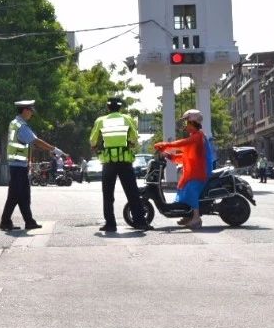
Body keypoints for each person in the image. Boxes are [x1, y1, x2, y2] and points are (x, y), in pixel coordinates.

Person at [0, 99, 67, 231]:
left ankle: (18, 221)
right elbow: (36, 141)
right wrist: (54, 149)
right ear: (25, 110)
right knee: (20, 195)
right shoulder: (21, 126)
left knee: (18, 195)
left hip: (18, 165)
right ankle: (11, 221)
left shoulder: (14, 123)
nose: (32, 113)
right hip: (18, 167)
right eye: (30, 111)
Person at [89, 96, 147, 232]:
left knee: (108, 194)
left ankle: (110, 224)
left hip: (108, 162)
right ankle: (140, 222)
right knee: (132, 192)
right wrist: (129, 143)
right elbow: (134, 138)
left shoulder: (101, 120)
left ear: (108, 107)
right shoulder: (127, 118)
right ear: (120, 107)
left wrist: (98, 147)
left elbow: (93, 141)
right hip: (125, 161)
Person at [154, 109, 209, 229]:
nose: (185, 125)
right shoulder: (194, 136)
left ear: (193, 122)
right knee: (182, 191)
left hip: (198, 173)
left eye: (187, 122)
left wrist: (165, 145)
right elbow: (183, 157)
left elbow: (182, 143)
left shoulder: (198, 136)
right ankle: (188, 215)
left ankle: (196, 218)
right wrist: (168, 155)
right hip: (190, 173)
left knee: (191, 192)